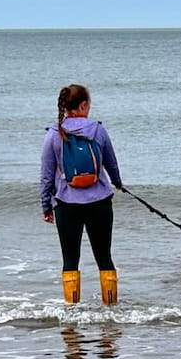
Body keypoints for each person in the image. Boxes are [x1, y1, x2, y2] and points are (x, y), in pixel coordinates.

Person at [39, 84, 123, 305]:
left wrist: (46, 206)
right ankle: (111, 310)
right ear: (84, 105)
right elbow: (111, 163)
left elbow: (46, 176)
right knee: (104, 258)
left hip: (66, 204)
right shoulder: (98, 130)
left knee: (70, 260)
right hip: (100, 202)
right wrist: (117, 183)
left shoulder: (54, 134)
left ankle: (72, 312)